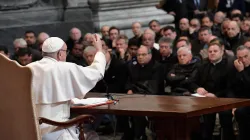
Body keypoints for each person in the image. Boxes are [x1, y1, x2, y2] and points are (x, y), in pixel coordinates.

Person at [27, 35, 106, 140]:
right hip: (56, 130)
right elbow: (96, 72)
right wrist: (99, 51)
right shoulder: (65, 67)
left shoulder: (29, 68)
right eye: (65, 51)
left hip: (31, 130)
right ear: (60, 54)